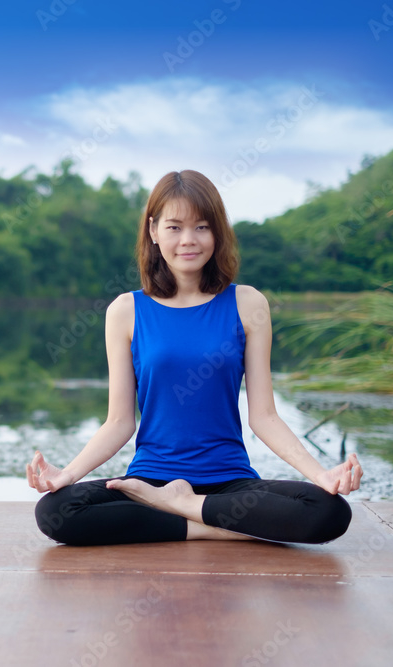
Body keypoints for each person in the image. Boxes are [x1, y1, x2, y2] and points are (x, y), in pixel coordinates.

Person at [26, 170, 362, 546]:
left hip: (230, 484)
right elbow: (119, 422)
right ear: (153, 231)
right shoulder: (126, 311)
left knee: (328, 511)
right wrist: (66, 475)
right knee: (56, 512)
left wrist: (321, 475)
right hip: (150, 482)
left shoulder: (247, 304)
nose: (188, 240)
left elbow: (264, 416)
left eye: (202, 227)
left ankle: (185, 507)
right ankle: (215, 527)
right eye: (174, 228)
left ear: (217, 233)